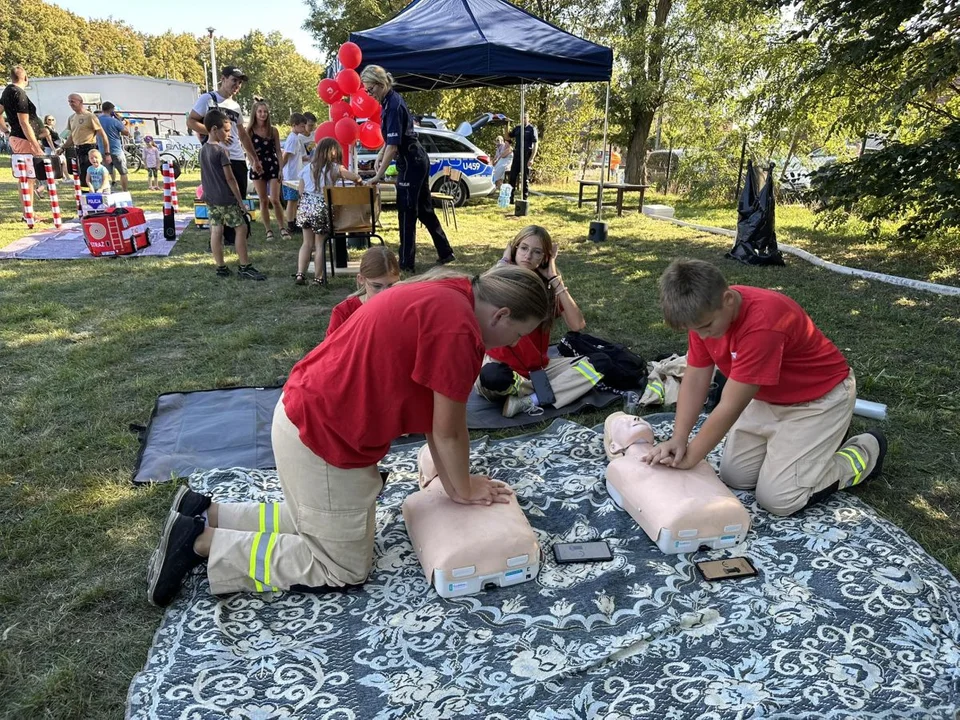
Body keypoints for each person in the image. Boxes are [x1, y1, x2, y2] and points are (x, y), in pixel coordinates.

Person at [146, 264, 552, 606]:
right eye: (518, 334)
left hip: (306, 415)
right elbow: (448, 432)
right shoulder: (459, 329)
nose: (512, 345)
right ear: (500, 315)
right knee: (341, 565)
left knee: (326, 523)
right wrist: (463, 490)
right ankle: (201, 541)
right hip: (323, 438)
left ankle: (208, 512)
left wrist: (457, 485)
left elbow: (436, 424)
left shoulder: (454, 289)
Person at [647, 258, 888, 517]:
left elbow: (730, 406)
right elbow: (695, 378)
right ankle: (810, 448)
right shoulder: (704, 312)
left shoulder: (762, 325)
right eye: (695, 331)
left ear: (728, 299)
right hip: (767, 398)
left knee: (779, 499)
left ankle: (865, 449)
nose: (703, 336)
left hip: (818, 401)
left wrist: (692, 456)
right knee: (735, 477)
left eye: (706, 328)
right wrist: (679, 438)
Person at [477, 225, 599, 418]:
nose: (528, 256)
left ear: (545, 258)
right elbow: (474, 294)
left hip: (540, 369)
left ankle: (529, 400)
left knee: (597, 365)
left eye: (537, 252)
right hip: (502, 369)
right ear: (514, 249)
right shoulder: (500, 280)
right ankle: (542, 392)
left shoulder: (548, 289)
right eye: (523, 248)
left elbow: (577, 325)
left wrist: (554, 278)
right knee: (492, 377)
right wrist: (502, 263)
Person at [361, 64, 455, 273]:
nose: (369, 94)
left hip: (412, 161)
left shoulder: (393, 105)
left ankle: (406, 263)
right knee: (424, 209)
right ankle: (446, 252)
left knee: (406, 211)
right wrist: (379, 154)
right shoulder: (388, 102)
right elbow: (390, 138)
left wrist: (378, 175)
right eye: (366, 90)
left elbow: (394, 146)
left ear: (380, 83)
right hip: (414, 159)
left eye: (370, 89)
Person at [187, 66, 260, 245]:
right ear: (223, 79)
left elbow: (242, 134)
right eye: (234, 80)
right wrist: (215, 134)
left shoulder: (235, 105)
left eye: (240, 82)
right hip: (216, 156)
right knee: (220, 196)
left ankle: (235, 234)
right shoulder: (208, 99)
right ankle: (221, 235)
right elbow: (191, 121)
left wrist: (254, 158)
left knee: (238, 194)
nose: (237, 85)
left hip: (237, 157)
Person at [199, 109, 266, 281]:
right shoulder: (222, 152)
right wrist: (240, 202)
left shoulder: (203, 150)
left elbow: (204, 176)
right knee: (241, 228)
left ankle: (221, 267)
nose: (229, 134)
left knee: (216, 231)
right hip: (226, 199)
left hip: (211, 198)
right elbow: (230, 179)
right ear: (215, 129)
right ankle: (245, 266)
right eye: (226, 130)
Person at [295, 137, 363, 286]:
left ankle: (300, 273)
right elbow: (355, 177)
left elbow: (301, 190)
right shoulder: (335, 168)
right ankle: (318, 278)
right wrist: (359, 181)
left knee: (306, 243)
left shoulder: (308, 167)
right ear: (332, 152)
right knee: (319, 244)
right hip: (322, 205)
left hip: (306, 205)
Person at [326, 246, 401, 334]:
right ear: (361, 279)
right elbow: (331, 346)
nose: (384, 294)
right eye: (376, 286)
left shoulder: (405, 308)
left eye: (391, 285)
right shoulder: (344, 311)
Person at [0, 65, 45, 200]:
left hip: (16, 137)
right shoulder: (19, 93)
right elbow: (24, 122)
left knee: (24, 176)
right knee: (29, 176)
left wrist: (6, 131)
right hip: (23, 138)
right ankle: (28, 212)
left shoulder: (7, 91)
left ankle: (28, 211)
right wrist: (36, 146)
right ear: (25, 77)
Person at [246, 100, 287, 240]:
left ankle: (283, 228)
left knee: (275, 199)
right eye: (260, 111)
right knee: (263, 200)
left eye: (265, 111)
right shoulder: (249, 131)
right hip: (258, 165)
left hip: (272, 164)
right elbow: (247, 150)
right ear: (255, 113)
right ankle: (268, 230)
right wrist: (253, 163)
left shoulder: (273, 130)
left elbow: (278, 151)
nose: (263, 114)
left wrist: (281, 169)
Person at [57, 93, 110, 189]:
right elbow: (72, 136)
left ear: (80, 102)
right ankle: (85, 197)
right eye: (69, 101)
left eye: (72, 101)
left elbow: (103, 136)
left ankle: (97, 194)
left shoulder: (90, 116)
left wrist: (107, 153)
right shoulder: (71, 118)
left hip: (89, 148)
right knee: (81, 175)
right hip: (77, 149)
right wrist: (63, 148)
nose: (70, 104)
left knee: (92, 175)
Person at [281, 113, 309, 235]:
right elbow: (286, 156)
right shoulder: (292, 138)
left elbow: (299, 157)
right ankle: (290, 224)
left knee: (295, 201)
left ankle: (294, 221)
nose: (304, 129)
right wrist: (280, 170)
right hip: (291, 175)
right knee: (291, 201)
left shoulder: (297, 138)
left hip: (296, 174)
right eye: (302, 126)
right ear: (294, 125)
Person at [97, 102, 130, 192]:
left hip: (102, 150)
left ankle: (107, 190)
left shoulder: (97, 120)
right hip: (116, 150)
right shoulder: (114, 121)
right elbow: (126, 133)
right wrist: (120, 121)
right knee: (123, 172)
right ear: (111, 110)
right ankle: (125, 191)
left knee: (106, 172)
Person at [507, 112, 538, 203]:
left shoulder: (532, 129)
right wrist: (506, 124)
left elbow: (535, 144)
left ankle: (524, 199)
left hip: (527, 155)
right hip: (517, 155)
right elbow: (508, 136)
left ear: (528, 118)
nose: (523, 119)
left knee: (525, 179)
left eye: (524, 118)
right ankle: (510, 199)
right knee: (512, 177)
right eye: (521, 118)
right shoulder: (517, 128)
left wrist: (531, 158)